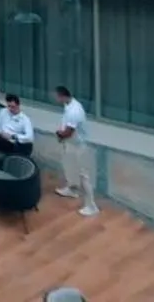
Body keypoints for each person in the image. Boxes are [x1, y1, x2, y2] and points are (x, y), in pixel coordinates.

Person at [52, 85, 99, 217]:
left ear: (62, 96)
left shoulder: (74, 111)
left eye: (57, 96)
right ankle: (72, 189)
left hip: (79, 147)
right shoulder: (69, 105)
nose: (56, 99)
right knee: (70, 167)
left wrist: (59, 135)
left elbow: (68, 132)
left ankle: (91, 206)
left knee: (84, 175)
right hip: (71, 144)